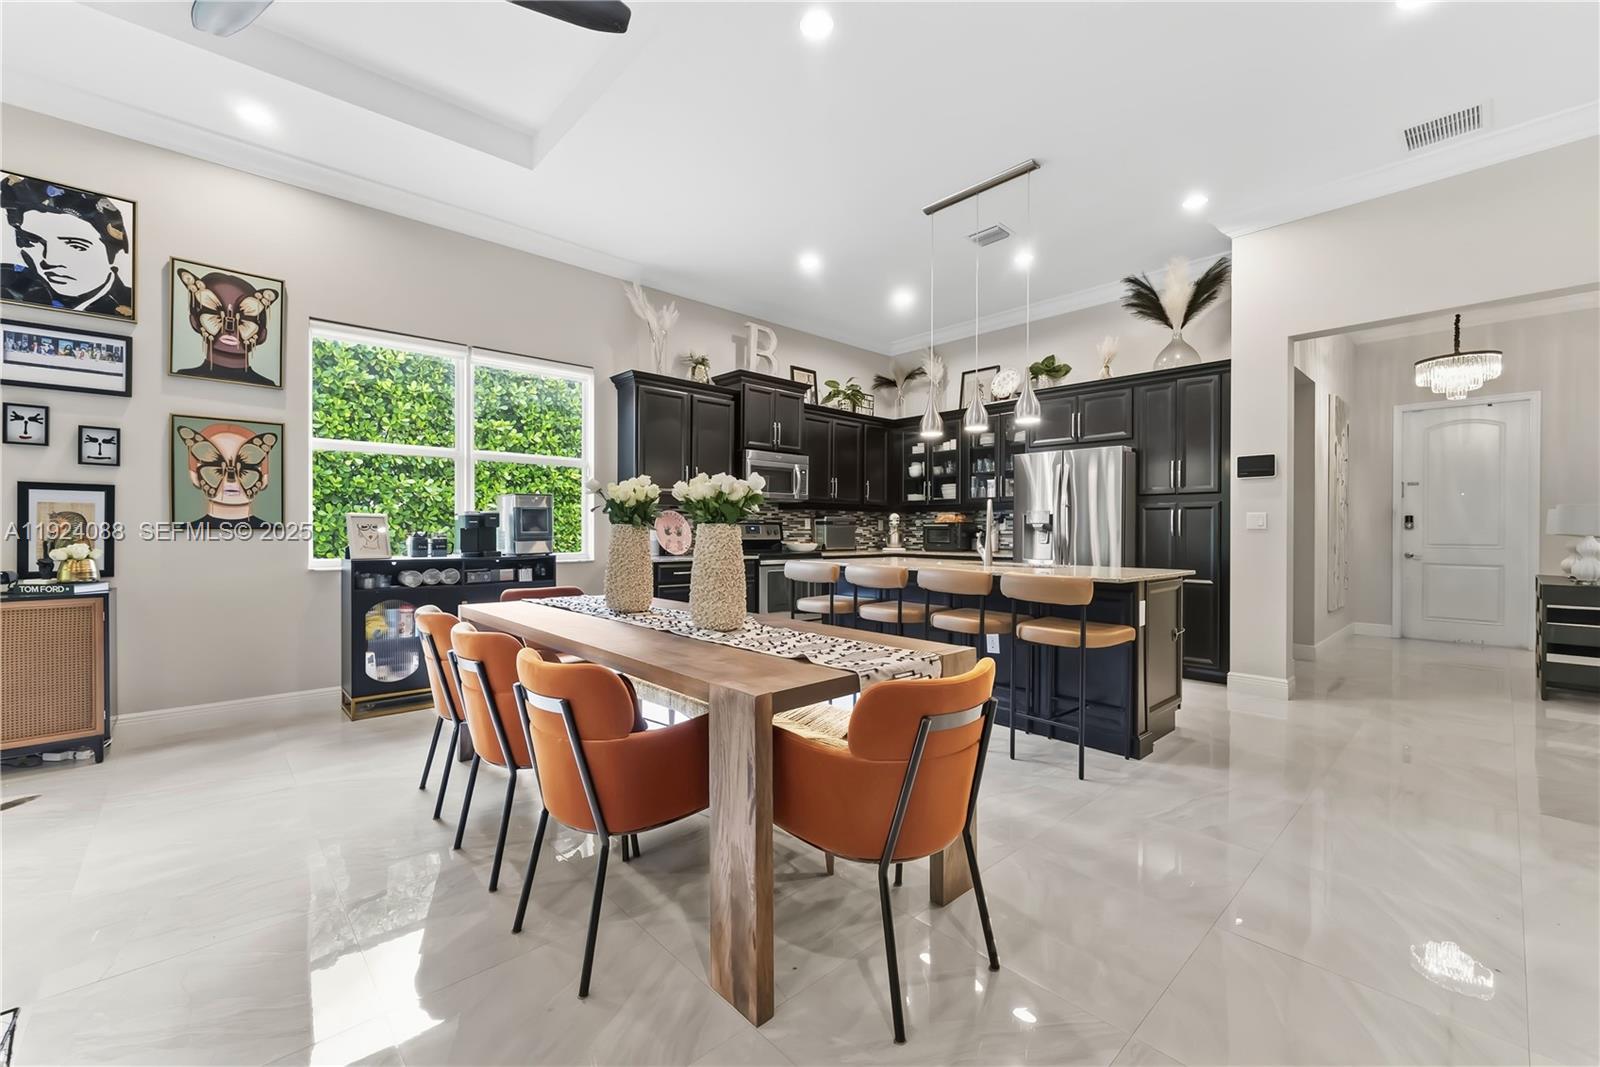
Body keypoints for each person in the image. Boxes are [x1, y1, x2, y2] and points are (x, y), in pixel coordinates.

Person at [2, 175, 133, 318]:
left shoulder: (132, 305)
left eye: (76, 246)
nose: (50, 261)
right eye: (33, 240)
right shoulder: (9, 288)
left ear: (112, 251)